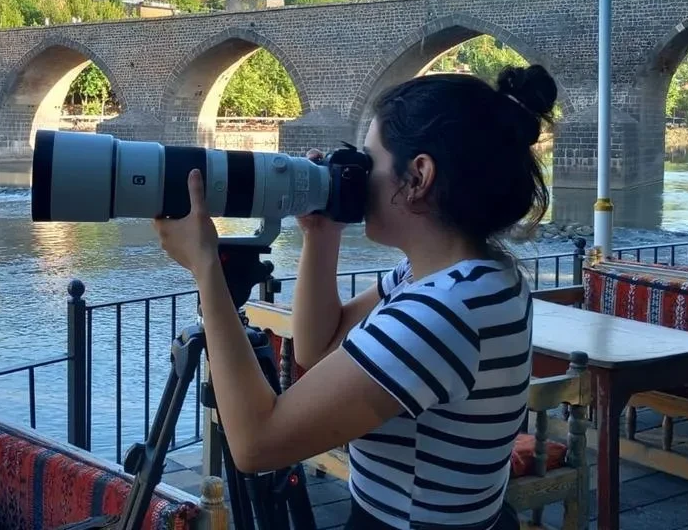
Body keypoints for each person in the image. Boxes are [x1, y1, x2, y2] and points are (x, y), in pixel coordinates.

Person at [152, 64, 559, 530]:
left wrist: (206, 268)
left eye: (368, 162)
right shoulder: (467, 275)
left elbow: (256, 444)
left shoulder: (442, 312)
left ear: (418, 177)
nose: (357, 178)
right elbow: (317, 347)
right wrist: (322, 234)